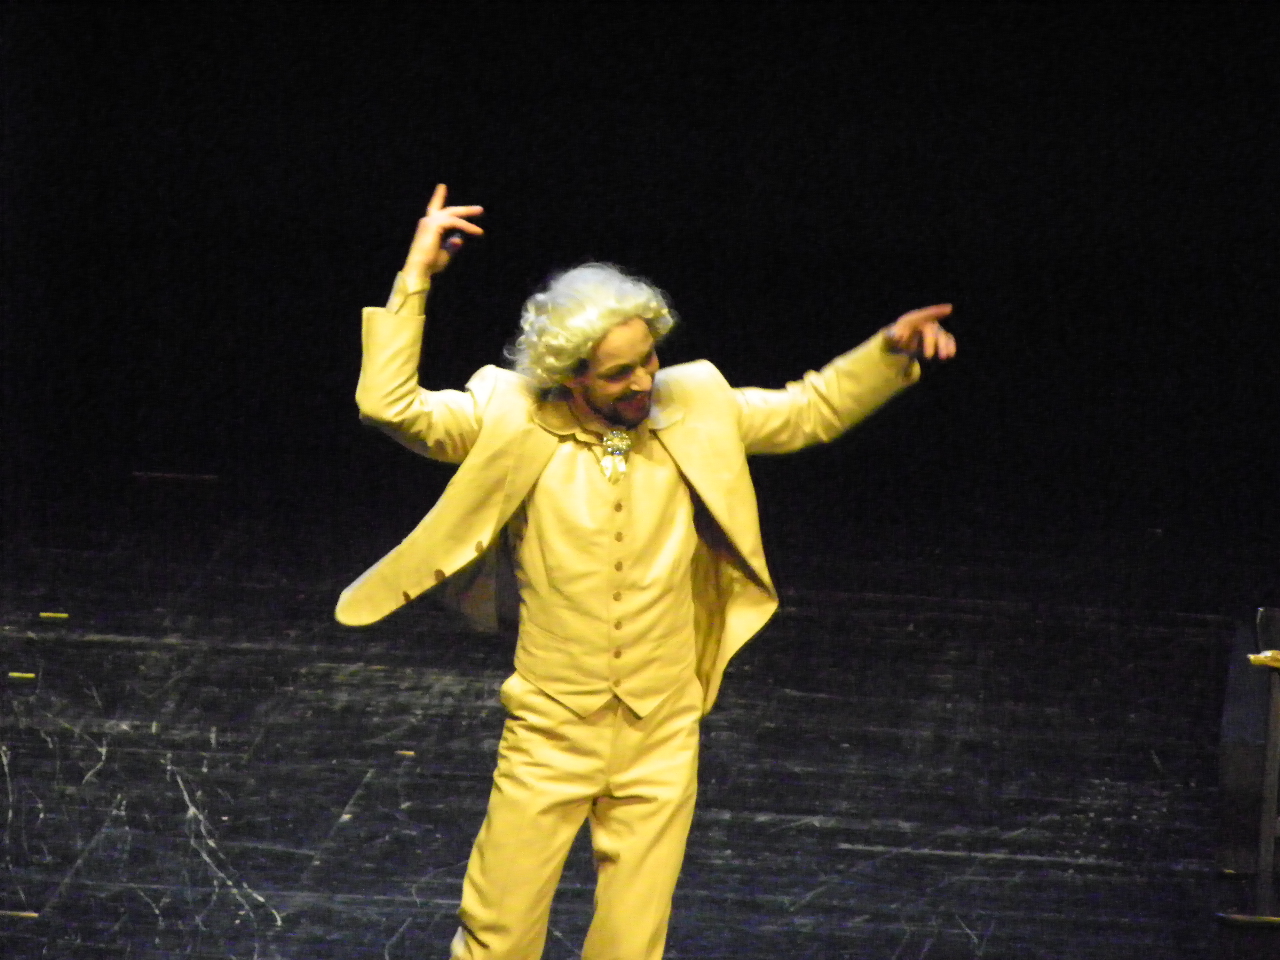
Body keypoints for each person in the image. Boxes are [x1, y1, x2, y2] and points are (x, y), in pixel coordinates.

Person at [335, 184, 956, 960]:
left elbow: (809, 410)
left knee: (633, 941)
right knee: (498, 930)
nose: (641, 382)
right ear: (569, 374)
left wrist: (888, 353)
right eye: (617, 373)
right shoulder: (508, 412)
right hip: (550, 729)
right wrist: (415, 278)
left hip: (662, 727)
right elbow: (389, 407)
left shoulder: (698, 402)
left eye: (648, 360)